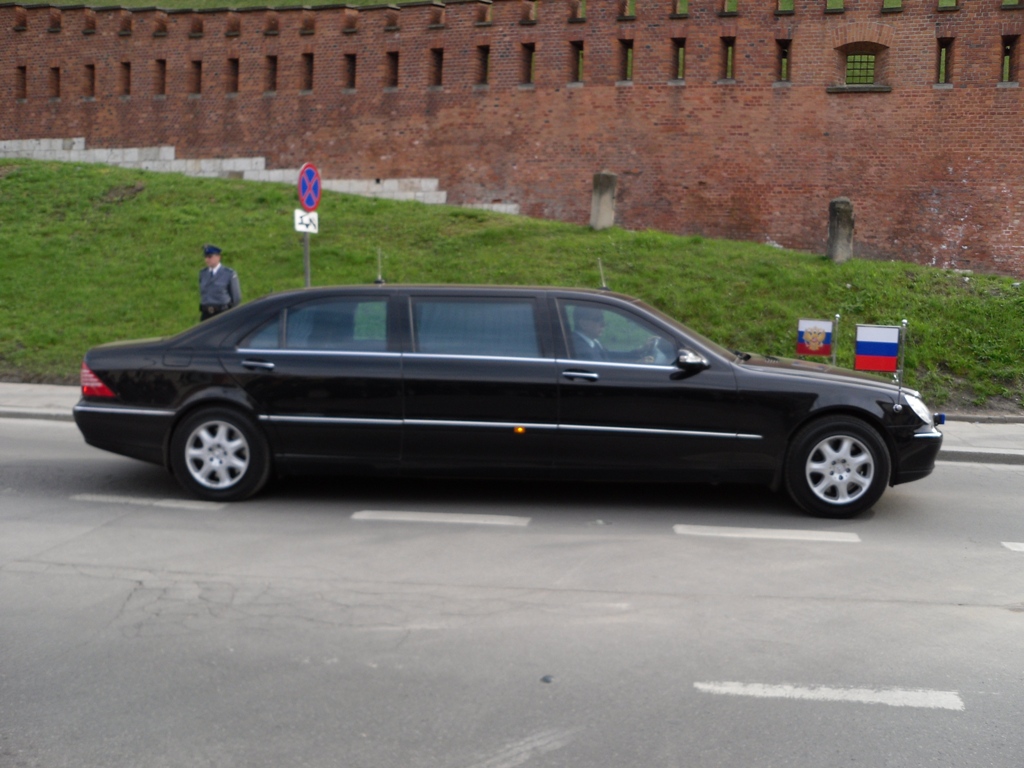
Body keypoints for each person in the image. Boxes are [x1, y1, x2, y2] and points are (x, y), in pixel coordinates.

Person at [198, 244, 242, 321]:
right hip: (206, 314)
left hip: (222, 313)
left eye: (210, 257)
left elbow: (236, 298)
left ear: (218, 257)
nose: (207, 260)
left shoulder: (229, 274)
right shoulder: (203, 273)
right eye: (205, 257)